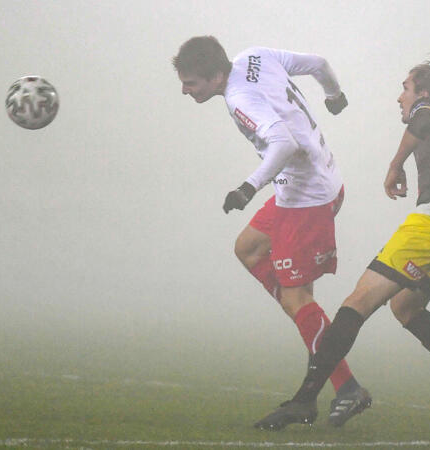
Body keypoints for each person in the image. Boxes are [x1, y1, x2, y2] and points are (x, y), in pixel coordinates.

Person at [254, 55, 430, 430]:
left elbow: (423, 118)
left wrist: (395, 164)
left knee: (357, 302)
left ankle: (304, 401)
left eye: (405, 87)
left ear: (425, 91)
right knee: (405, 306)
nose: (400, 97)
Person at [172, 36, 370, 427]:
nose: (185, 90)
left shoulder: (238, 98)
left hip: (306, 197)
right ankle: (300, 308)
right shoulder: (253, 56)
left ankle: (347, 387)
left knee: (298, 298)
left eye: (191, 82)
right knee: (247, 248)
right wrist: (335, 94)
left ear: (215, 77)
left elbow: (283, 142)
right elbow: (318, 61)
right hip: (310, 182)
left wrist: (248, 187)